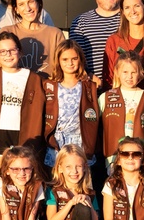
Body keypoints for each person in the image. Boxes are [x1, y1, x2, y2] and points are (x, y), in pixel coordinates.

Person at [0, 32, 46, 163]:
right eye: (2, 51)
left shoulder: (33, 78)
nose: (8, 55)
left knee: (21, 171)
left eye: (12, 50)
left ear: (20, 52)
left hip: (23, 131)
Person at [41, 40, 100, 168]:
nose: (70, 63)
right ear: (58, 61)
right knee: (57, 182)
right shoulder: (49, 85)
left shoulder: (89, 86)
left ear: (80, 60)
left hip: (81, 142)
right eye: (65, 59)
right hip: (56, 142)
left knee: (79, 179)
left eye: (74, 59)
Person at [44, 144, 101, 220]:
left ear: (85, 167)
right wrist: (70, 203)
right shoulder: (53, 191)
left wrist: (88, 203)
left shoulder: (90, 193)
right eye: (68, 167)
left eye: (78, 166)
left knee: (83, 205)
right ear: (60, 168)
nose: (74, 171)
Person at [99, 52, 144, 167]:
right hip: (113, 155)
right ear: (117, 72)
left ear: (140, 73)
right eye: (125, 72)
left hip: (139, 155)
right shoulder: (106, 97)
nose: (129, 76)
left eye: (133, 72)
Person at [69, 0, 122, 79]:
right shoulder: (80, 22)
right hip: (93, 89)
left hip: (126, 89)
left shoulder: (130, 19)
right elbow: (76, 58)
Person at [5, 0, 64, 74]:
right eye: (21, 4)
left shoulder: (55, 34)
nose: (27, 8)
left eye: (31, 2)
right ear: (16, 9)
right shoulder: (7, 32)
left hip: (47, 87)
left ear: (38, 3)